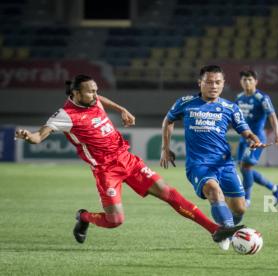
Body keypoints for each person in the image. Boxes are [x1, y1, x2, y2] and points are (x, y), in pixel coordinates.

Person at [14, 74, 241, 246]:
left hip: (127, 159)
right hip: (105, 170)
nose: (95, 95)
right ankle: (83, 216)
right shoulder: (65, 116)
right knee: (115, 221)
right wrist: (29, 136)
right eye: (90, 92)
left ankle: (214, 229)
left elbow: (100, 98)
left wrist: (121, 109)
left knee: (169, 193)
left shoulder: (93, 100)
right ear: (74, 94)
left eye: (96, 90)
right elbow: (40, 135)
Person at [160, 65, 266, 250]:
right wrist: (165, 148)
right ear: (200, 83)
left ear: (223, 84)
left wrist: (253, 139)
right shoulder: (185, 102)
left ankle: (227, 228)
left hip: (224, 164)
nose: (213, 86)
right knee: (213, 191)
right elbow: (168, 120)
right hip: (198, 164)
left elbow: (245, 131)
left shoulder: (229, 107)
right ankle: (229, 233)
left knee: (240, 208)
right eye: (209, 82)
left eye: (218, 82)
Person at [235, 70, 278, 207]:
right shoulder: (239, 98)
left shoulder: (262, 98)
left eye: (250, 79)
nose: (247, 82)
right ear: (241, 82)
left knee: (246, 166)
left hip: (255, 139)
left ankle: (247, 199)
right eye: (244, 80)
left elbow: (272, 116)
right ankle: (275, 188)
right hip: (243, 139)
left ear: (256, 81)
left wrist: (277, 135)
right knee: (244, 168)